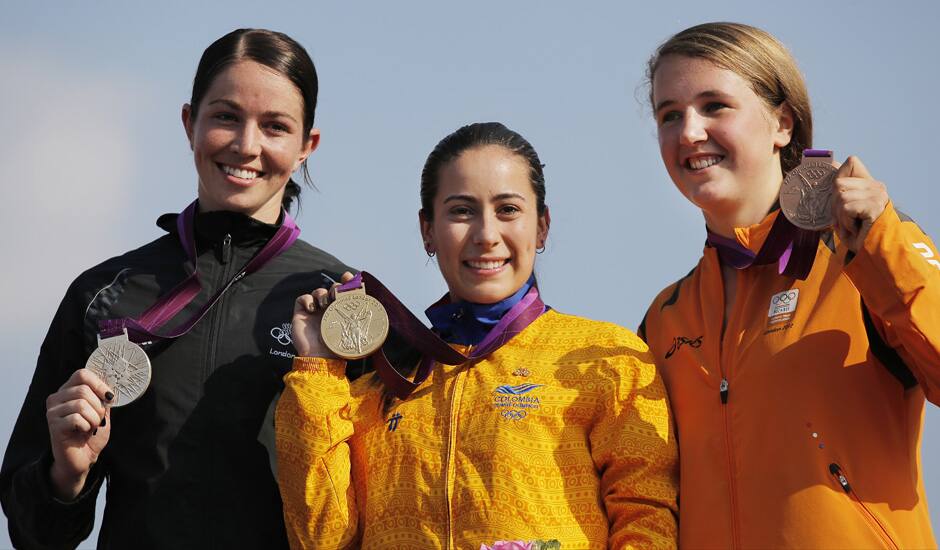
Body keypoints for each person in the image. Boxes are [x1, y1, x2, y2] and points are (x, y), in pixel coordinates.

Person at [0, 29, 360, 549]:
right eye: (225, 116)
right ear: (190, 123)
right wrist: (66, 475)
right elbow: (34, 535)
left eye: (275, 127)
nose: (246, 144)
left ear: (307, 146)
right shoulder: (103, 295)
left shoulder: (342, 308)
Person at [275, 122, 678, 549]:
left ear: (541, 226)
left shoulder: (604, 361)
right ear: (427, 230)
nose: (487, 236)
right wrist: (318, 368)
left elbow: (646, 518)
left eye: (508, 210)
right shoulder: (383, 387)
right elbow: (321, 540)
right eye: (462, 211)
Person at [638, 22, 940, 549]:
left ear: (781, 123)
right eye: (669, 114)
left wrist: (880, 241)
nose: (688, 132)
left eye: (714, 106)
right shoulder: (666, 316)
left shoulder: (863, 254)